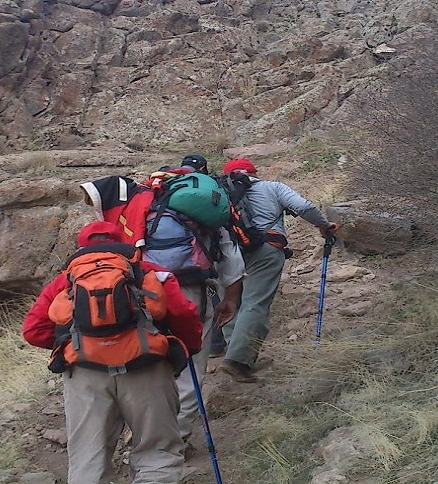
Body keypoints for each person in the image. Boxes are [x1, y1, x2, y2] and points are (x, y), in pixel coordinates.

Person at [23, 221, 204, 484]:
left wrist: (74, 342)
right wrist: (186, 349)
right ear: (125, 243)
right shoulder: (149, 272)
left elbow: (33, 330)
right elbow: (184, 314)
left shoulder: (65, 281)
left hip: (86, 372)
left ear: (82, 247)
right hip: (147, 366)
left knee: (88, 459)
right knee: (158, 452)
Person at [216, 157, 338, 384]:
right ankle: (237, 361)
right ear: (254, 172)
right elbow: (304, 207)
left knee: (231, 301)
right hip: (266, 250)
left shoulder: (218, 191)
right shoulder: (272, 187)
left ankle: (234, 350)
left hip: (227, 252)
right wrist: (323, 225)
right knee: (255, 302)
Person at [169, 155, 244, 446]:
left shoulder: (150, 206)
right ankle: (176, 439)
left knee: (150, 366)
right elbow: (232, 259)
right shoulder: (206, 208)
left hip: (145, 295)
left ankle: (144, 435)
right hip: (192, 293)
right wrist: (231, 300)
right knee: (190, 369)